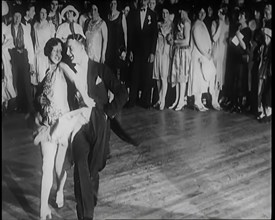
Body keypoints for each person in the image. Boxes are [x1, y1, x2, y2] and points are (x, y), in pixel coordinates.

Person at [66, 33, 128, 220]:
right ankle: (85, 216)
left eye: (71, 48)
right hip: (78, 126)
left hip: (98, 123)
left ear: (82, 47)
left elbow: (122, 93)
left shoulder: (99, 69)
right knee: (81, 167)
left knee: (94, 169)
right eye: (67, 49)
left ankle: (90, 199)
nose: (68, 52)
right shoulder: (67, 70)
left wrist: (108, 112)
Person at [33, 37, 95, 220]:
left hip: (64, 125)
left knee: (59, 168)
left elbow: (75, 81)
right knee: (47, 167)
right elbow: (37, 96)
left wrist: (86, 98)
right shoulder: (46, 73)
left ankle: (59, 190)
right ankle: (43, 209)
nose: (58, 54)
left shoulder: (63, 67)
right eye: (55, 50)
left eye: (61, 50)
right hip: (48, 125)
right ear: (48, 51)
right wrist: (39, 100)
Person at [187, 4, 220, 111]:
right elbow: (198, 42)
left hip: (203, 56)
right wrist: (206, 53)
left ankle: (200, 101)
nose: (202, 14)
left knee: (202, 80)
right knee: (197, 80)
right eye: (200, 12)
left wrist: (209, 51)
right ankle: (197, 101)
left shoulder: (202, 24)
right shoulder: (196, 25)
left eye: (204, 12)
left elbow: (207, 40)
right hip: (198, 56)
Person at [126, 0, 158, 109]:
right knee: (134, 75)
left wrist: (152, 52)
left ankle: (145, 101)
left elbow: (154, 35)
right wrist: (130, 50)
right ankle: (132, 100)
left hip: (148, 52)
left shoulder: (152, 15)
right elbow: (130, 33)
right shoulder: (133, 13)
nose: (143, 1)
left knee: (147, 76)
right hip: (136, 51)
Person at [8, 6, 35, 115]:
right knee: (15, 82)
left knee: (26, 82)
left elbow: (29, 46)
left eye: (19, 16)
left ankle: (29, 107)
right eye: (15, 16)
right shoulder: (7, 28)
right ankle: (16, 106)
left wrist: (31, 63)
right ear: (12, 17)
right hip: (12, 56)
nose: (17, 18)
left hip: (23, 55)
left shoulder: (25, 28)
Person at [169, 3, 191, 111]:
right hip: (178, 51)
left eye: (181, 11)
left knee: (182, 77)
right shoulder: (180, 22)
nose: (180, 13)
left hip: (183, 52)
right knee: (177, 76)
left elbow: (187, 41)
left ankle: (182, 100)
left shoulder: (187, 23)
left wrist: (175, 42)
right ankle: (177, 99)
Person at [152, 5, 173, 110]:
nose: (165, 15)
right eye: (163, 13)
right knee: (158, 77)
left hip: (165, 53)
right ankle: (159, 99)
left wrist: (165, 34)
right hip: (158, 52)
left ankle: (163, 100)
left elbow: (171, 41)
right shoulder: (158, 24)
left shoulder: (172, 25)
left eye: (167, 13)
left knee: (164, 77)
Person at [33, 5, 56, 87]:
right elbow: (35, 42)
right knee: (39, 79)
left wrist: (51, 57)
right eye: (41, 13)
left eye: (45, 13)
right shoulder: (35, 25)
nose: (43, 15)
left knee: (47, 78)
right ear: (38, 13)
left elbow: (53, 43)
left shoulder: (50, 26)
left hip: (47, 55)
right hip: (38, 55)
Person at [105, 0, 128, 79]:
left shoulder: (122, 16)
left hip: (118, 48)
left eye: (115, 3)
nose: (113, 5)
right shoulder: (107, 17)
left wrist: (125, 49)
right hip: (109, 48)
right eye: (111, 3)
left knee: (118, 72)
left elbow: (125, 33)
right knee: (109, 71)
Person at [2, 0, 16, 113]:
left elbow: (10, 41)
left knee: (6, 80)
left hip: (3, 57)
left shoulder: (5, 27)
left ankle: (6, 106)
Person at [257, 27, 271, 122]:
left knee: (267, 94)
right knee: (261, 92)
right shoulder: (263, 47)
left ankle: (268, 113)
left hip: (268, 73)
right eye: (264, 37)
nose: (265, 39)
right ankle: (263, 111)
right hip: (263, 72)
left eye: (267, 37)